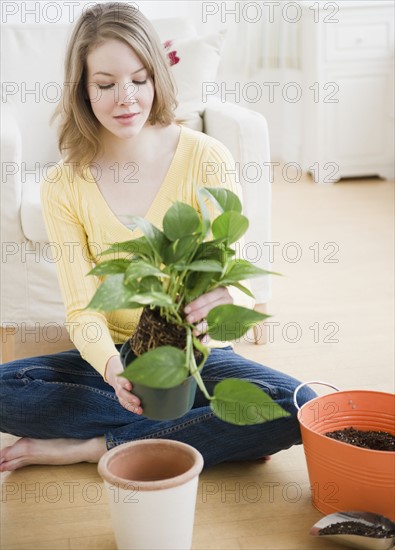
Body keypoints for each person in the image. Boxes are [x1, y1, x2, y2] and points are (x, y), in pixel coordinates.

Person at [0, 2, 315, 472]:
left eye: (139, 80)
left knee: (298, 405)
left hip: (189, 359)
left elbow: (215, 270)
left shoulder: (206, 158)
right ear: (83, 90)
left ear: (157, 78)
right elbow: (83, 308)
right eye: (105, 85)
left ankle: (96, 447)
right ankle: (197, 433)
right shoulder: (63, 184)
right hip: (111, 362)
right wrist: (114, 369)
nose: (125, 98)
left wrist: (220, 296)